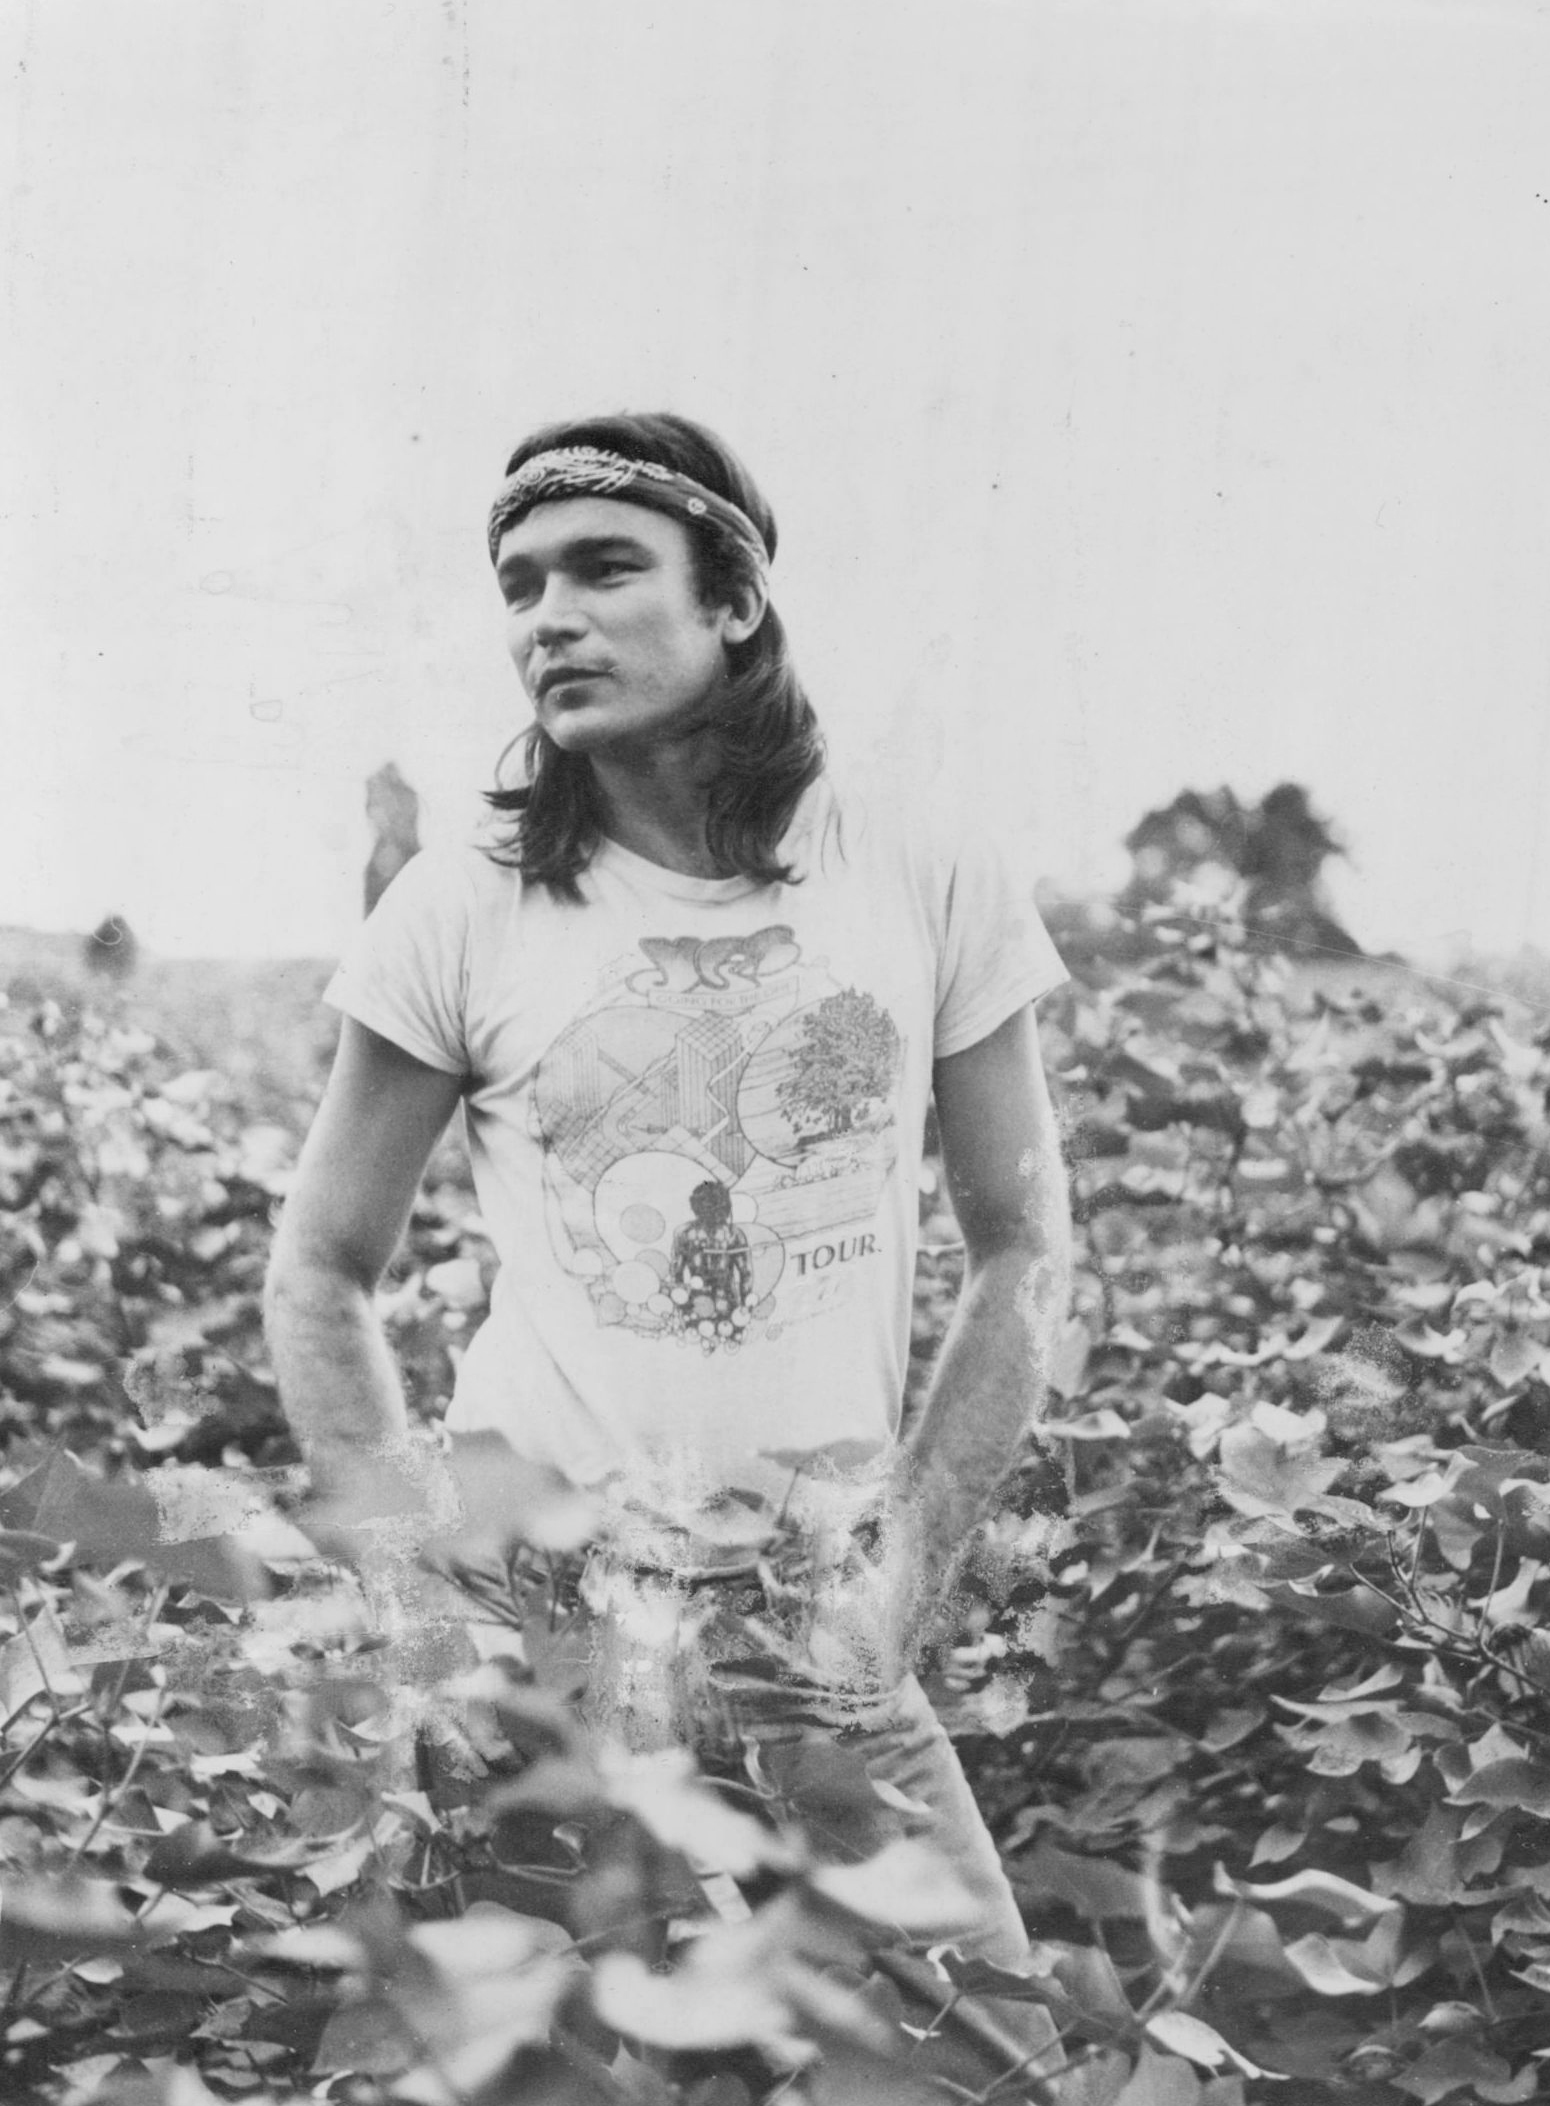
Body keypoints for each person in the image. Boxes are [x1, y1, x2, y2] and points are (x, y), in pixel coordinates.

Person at [262, 413, 1077, 2092]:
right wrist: (419, 1607)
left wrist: (905, 1571)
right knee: (563, 2070)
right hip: (541, 1629)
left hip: (814, 1626)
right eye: (520, 585)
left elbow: (1024, 1245)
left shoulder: (918, 864)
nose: (547, 617)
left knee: (981, 2066)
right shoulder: (460, 905)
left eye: (603, 569)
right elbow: (321, 1269)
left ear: (736, 603)